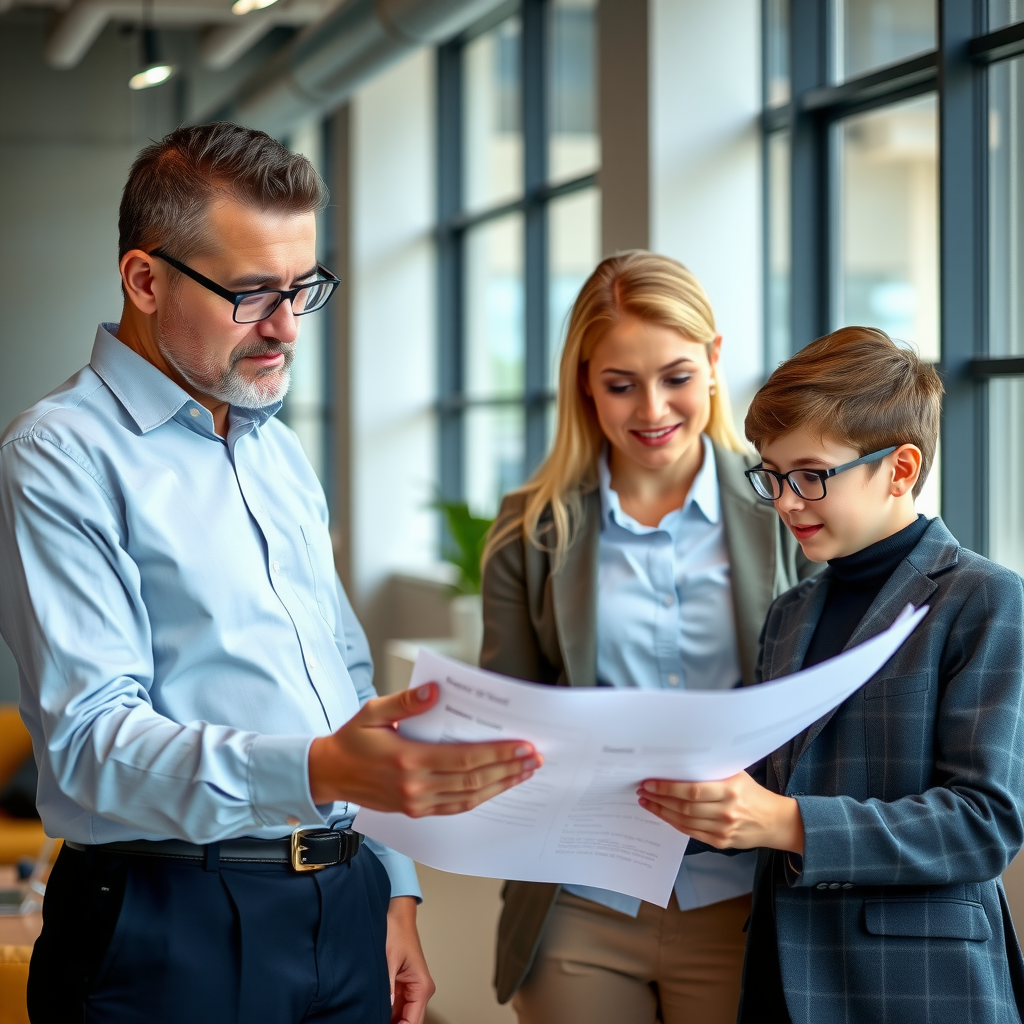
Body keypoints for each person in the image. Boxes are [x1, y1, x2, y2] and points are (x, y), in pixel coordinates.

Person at [0, 122, 540, 1024]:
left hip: (346, 903)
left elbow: (345, 678)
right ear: (144, 279)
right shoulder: (58, 457)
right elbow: (92, 743)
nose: (288, 328)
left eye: (302, 289)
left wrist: (393, 884)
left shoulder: (276, 449)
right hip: (170, 924)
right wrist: (326, 767)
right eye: (252, 294)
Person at [638, 326, 1024, 1023]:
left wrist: (786, 822)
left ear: (900, 469)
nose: (785, 501)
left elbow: (984, 823)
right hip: (783, 979)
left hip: (919, 987)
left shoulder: (985, 598)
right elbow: (763, 792)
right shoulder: (790, 612)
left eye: (810, 475)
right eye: (772, 475)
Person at [480, 251, 815, 1024]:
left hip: (746, 898)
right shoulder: (532, 528)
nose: (652, 409)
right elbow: (507, 717)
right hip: (582, 900)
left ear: (714, 362)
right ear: (585, 384)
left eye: (676, 377)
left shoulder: (784, 512)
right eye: (620, 385)